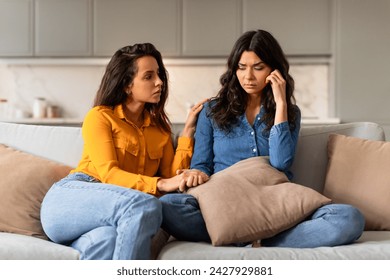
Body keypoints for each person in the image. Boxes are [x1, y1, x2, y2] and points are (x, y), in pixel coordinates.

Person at [160, 30, 365, 248]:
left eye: (258, 68)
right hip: (224, 202)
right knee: (167, 205)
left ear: (273, 70)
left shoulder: (289, 113)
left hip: (274, 203)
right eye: (241, 67)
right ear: (233, 69)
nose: (248, 76)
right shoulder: (212, 110)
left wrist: (281, 103)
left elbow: (280, 163)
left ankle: (248, 237)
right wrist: (196, 173)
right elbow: (201, 165)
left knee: (348, 218)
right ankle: (254, 236)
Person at [40, 43, 207, 260]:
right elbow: (109, 174)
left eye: (159, 74)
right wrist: (159, 184)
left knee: (107, 242)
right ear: (127, 85)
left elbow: (170, 179)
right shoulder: (100, 117)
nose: (159, 82)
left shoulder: (161, 130)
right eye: (149, 76)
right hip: (71, 199)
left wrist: (187, 133)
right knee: (144, 205)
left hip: (109, 217)